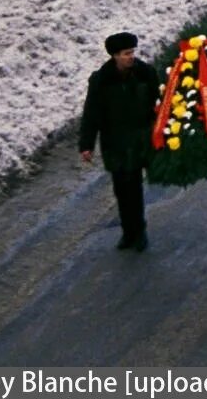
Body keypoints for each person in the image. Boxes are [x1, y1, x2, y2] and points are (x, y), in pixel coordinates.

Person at [78, 32, 160, 250]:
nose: (131, 57)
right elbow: (91, 113)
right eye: (126, 54)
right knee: (120, 189)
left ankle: (139, 232)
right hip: (114, 143)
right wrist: (86, 145)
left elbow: (159, 102)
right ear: (115, 56)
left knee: (134, 187)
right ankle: (127, 231)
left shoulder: (145, 73)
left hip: (138, 141)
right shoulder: (101, 80)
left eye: (132, 52)